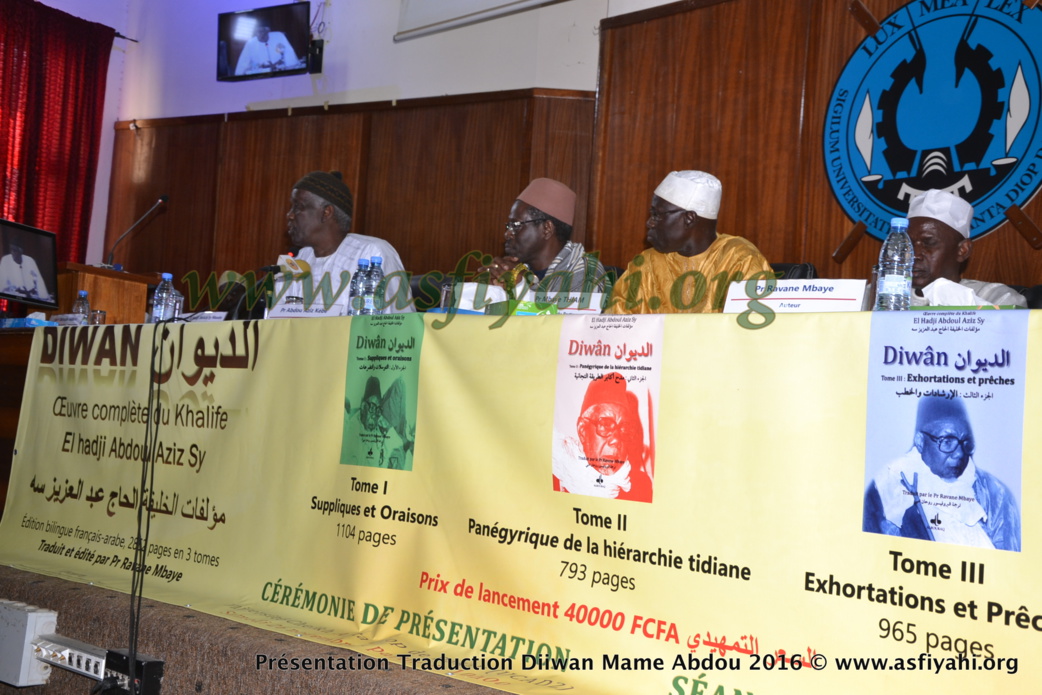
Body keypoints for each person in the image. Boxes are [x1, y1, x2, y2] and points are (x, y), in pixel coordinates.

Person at [863, 395, 1020, 551]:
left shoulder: (993, 493)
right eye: (947, 441)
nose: (959, 453)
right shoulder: (887, 489)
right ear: (920, 441)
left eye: (965, 442)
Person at [607, 171, 771, 313]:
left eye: (657, 215)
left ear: (689, 218)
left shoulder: (740, 260)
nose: (649, 223)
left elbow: (749, 331)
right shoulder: (646, 263)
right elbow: (616, 326)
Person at [272, 171, 413, 314]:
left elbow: (398, 323)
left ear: (326, 212)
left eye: (298, 207)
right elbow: (279, 323)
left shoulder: (371, 253)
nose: (289, 215)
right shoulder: (297, 261)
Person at [477, 178, 609, 300]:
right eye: (508, 226)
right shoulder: (516, 269)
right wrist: (491, 291)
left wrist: (522, 288)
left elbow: (565, 323)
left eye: (515, 225)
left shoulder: (585, 274)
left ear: (547, 228)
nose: (507, 234)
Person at [905, 189, 1027, 307]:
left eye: (929, 243)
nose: (914, 254)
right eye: (908, 244)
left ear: (963, 250)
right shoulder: (891, 299)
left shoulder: (997, 297)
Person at [553, 372, 652, 502]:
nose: (617, 439)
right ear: (582, 430)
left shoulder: (640, 485)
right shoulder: (558, 478)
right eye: (605, 425)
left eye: (624, 428)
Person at [341, 376, 413, 470]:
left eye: (378, 410)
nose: (374, 415)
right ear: (363, 406)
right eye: (372, 408)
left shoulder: (382, 429)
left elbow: (398, 445)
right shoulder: (349, 428)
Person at [0, 230, 51, 301]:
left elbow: (39, 280)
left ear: (21, 252)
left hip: (29, 297)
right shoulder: (5, 260)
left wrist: (44, 298)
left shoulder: (30, 260)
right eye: (11, 250)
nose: (12, 253)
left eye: (15, 250)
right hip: (11, 296)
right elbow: (2, 285)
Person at [234, 24, 304, 76]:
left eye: (261, 31)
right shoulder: (250, 43)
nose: (258, 35)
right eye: (257, 32)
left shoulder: (278, 36)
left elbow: (290, 58)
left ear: (267, 30)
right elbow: (242, 66)